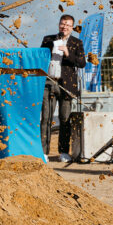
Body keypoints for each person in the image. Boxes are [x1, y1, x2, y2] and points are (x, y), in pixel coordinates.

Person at [40, 14, 85, 162]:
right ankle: (43, 152)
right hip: (49, 83)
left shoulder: (77, 43)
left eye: (67, 25)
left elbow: (82, 63)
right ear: (59, 25)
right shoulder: (48, 39)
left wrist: (67, 53)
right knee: (46, 118)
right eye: (62, 24)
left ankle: (64, 151)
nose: (64, 27)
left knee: (65, 119)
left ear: (72, 28)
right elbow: (40, 57)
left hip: (66, 85)